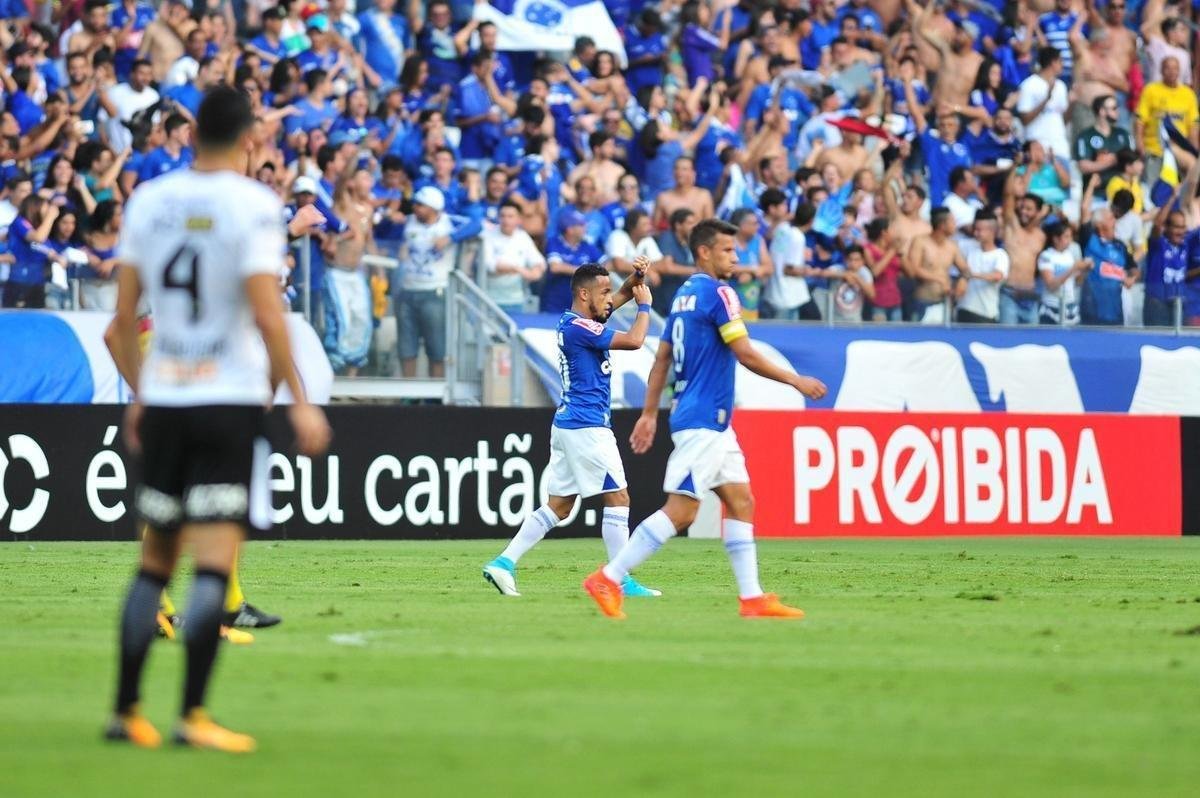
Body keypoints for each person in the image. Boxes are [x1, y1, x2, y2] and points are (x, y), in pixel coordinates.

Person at [103, 85, 330, 752]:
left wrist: (141, 394)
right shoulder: (254, 206)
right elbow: (266, 311)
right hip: (225, 399)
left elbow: (121, 325)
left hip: (167, 396)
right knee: (211, 565)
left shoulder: (150, 200)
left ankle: (125, 710)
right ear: (253, 137)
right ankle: (192, 715)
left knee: (153, 565)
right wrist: (298, 397)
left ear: (194, 131)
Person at [582, 219, 827, 620]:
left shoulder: (683, 296)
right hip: (703, 420)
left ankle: (751, 598)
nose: (736, 256)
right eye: (728, 250)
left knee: (741, 500)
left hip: (709, 421)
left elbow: (661, 359)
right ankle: (609, 577)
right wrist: (794, 378)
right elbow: (744, 352)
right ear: (704, 253)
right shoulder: (720, 294)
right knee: (683, 510)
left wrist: (649, 413)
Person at [483, 260, 660, 598]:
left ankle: (503, 563)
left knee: (559, 506)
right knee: (619, 498)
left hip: (569, 424)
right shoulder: (581, 328)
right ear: (583, 294)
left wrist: (635, 279)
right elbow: (636, 340)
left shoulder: (578, 321)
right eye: (603, 292)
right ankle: (619, 580)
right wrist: (645, 305)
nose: (611, 298)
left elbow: (619, 294)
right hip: (587, 426)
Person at [479, 200, 545, 315]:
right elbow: (489, 265)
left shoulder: (522, 237)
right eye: (502, 216)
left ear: (519, 219)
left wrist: (536, 271)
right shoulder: (487, 236)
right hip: (491, 300)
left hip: (516, 300)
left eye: (510, 216)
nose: (506, 220)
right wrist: (519, 269)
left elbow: (538, 260)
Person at [955, 212, 1008, 324]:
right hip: (964, 308)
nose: (976, 233)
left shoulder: (1000, 255)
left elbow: (997, 276)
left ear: (992, 231)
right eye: (975, 229)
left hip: (986, 313)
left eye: (980, 230)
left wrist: (970, 275)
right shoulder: (968, 247)